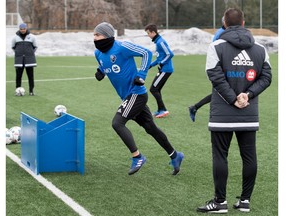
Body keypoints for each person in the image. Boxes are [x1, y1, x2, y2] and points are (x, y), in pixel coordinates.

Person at [197, 8, 272, 213]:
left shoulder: (216, 46)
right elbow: (266, 77)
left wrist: (232, 98)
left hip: (223, 113)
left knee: (220, 156)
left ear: (224, 24)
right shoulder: (260, 48)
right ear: (244, 22)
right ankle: (245, 201)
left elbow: (214, 75)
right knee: (249, 156)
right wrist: (247, 95)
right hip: (248, 112)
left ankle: (220, 202)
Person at [93, 22, 184, 175]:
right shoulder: (98, 53)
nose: (94, 38)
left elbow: (147, 53)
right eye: (94, 35)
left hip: (136, 94)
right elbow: (105, 64)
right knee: (151, 128)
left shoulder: (122, 47)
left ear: (107, 36)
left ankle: (138, 157)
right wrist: (100, 70)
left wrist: (141, 75)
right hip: (127, 96)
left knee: (117, 123)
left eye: (97, 35)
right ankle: (175, 155)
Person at [188, 16, 226, 122]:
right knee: (220, 91)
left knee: (220, 92)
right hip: (219, 67)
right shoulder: (221, 33)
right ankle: (201, 110)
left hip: (222, 66)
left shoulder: (224, 32)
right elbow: (214, 50)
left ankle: (195, 107)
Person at [144, 24, 174, 118]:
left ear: (153, 32)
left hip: (166, 69)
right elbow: (159, 58)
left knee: (153, 89)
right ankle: (160, 110)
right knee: (156, 89)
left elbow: (170, 54)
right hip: (163, 69)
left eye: (148, 33)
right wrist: (150, 66)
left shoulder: (160, 42)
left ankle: (163, 110)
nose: (148, 35)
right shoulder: (157, 42)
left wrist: (162, 63)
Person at [11, 23, 38, 96]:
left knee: (30, 76)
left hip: (29, 60)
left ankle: (31, 91)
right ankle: (18, 91)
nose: (22, 30)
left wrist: (30, 54)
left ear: (26, 29)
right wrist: (18, 53)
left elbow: (35, 47)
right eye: (21, 29)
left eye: (24, 29)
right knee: (18, 76)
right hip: (19, 60)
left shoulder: (32, 37)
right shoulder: (15, 37)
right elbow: (13, 47)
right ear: (19, 29)